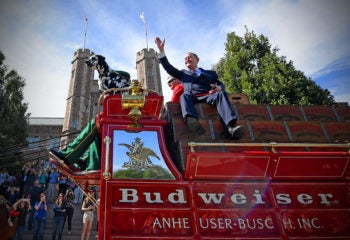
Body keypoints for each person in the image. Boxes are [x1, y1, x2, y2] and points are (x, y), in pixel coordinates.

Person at [49, 56, 131, 171]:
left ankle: (68, 155)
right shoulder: (122, 93)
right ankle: (88, 163)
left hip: (125, 126)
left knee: (97, 122)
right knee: (98, 132)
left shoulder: (127, 94)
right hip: (121, 125)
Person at [155, 37, 245, 140]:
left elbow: (220, 84)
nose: (187, 59)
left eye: (189, 57)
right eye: (185, 59)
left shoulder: (210, 73)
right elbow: (168, 67)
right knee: (184, 96)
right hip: (192, 95)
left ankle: (231, 128)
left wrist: (220, 87)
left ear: (197, 60)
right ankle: (191, 120)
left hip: (209, 95)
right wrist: (161, 51)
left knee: (221, 94)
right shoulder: (183, 74)